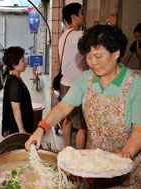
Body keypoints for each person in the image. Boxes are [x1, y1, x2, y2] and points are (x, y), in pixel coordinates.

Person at [26, 25, 141, 187]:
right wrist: (41, 129)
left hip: (126, 165)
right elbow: (63, 107)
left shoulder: (135, 84)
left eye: (98, 56)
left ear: (116, 53)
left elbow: (138, 132)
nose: (93, 63)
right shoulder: (85, 79)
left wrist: (124, 155)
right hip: (93, 164)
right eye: (88, 57)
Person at [58, 2, 88, 149]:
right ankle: (78, 157)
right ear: (74, 16)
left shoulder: (63, 36)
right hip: (76, 85)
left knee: (67, 120)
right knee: (82, 126)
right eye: (81, 13)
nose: (84, 16)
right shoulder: (81, 36)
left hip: (64, 83)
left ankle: (66, 150)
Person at [1, 46, 33, 137]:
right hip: (17, 127)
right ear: (14, 65)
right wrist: (21, 129)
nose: (25, 63)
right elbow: (15, 107)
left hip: (22, 121)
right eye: (22, 61)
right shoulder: (14, 83)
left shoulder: (15, 78)